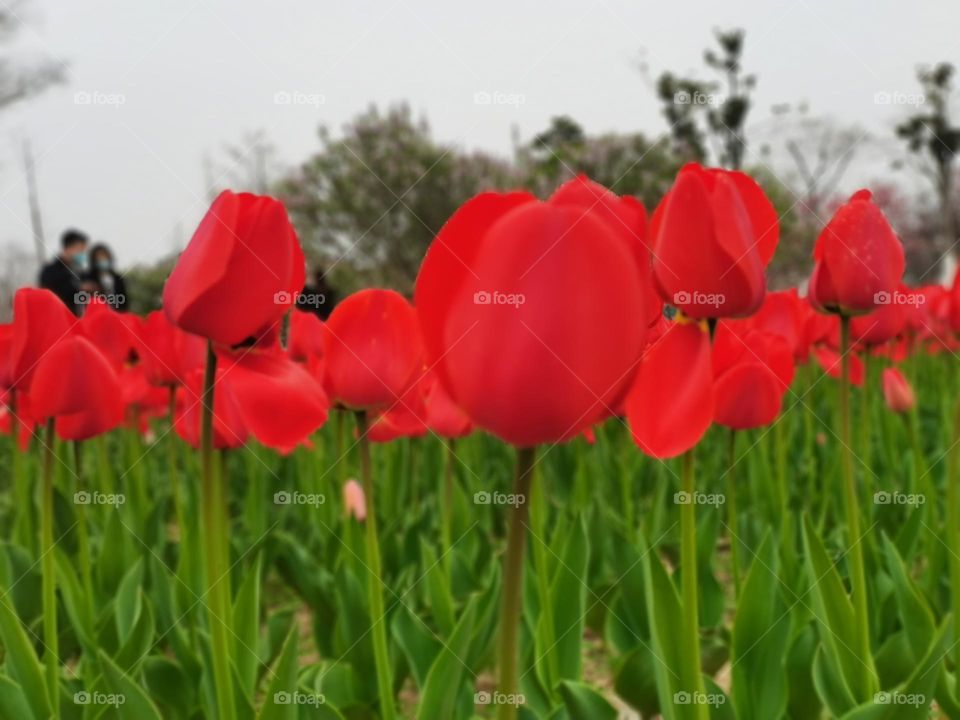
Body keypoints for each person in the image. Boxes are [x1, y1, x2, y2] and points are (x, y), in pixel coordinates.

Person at [39, 229, 89, 315]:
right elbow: (50, 295)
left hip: (80, 321)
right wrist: (78, 288)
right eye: (80, 250)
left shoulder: (81, 272)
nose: (83, 254)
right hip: (59, 320)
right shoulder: (50, 271)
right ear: (68, 248)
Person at [84, 243, 128, 311]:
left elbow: (124, 300)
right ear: (94, 260)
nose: (102, 259)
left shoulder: (118, 278)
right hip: (98, 314)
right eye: (99, 257)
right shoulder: (89, 279)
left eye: (104, 256)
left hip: (117, 314)